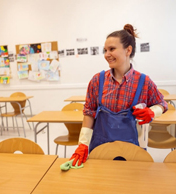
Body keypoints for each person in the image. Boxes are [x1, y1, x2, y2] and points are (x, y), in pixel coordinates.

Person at [69, 24, 168, 166]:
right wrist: (83, 144)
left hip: (132, 151)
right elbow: (89, 112)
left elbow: (162, 104)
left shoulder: (143, 81)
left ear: (128, 50)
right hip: (100, 149)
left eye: (112, 49)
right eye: (105, 50)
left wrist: (152, 112)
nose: (106, 54)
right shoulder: (97, 80)